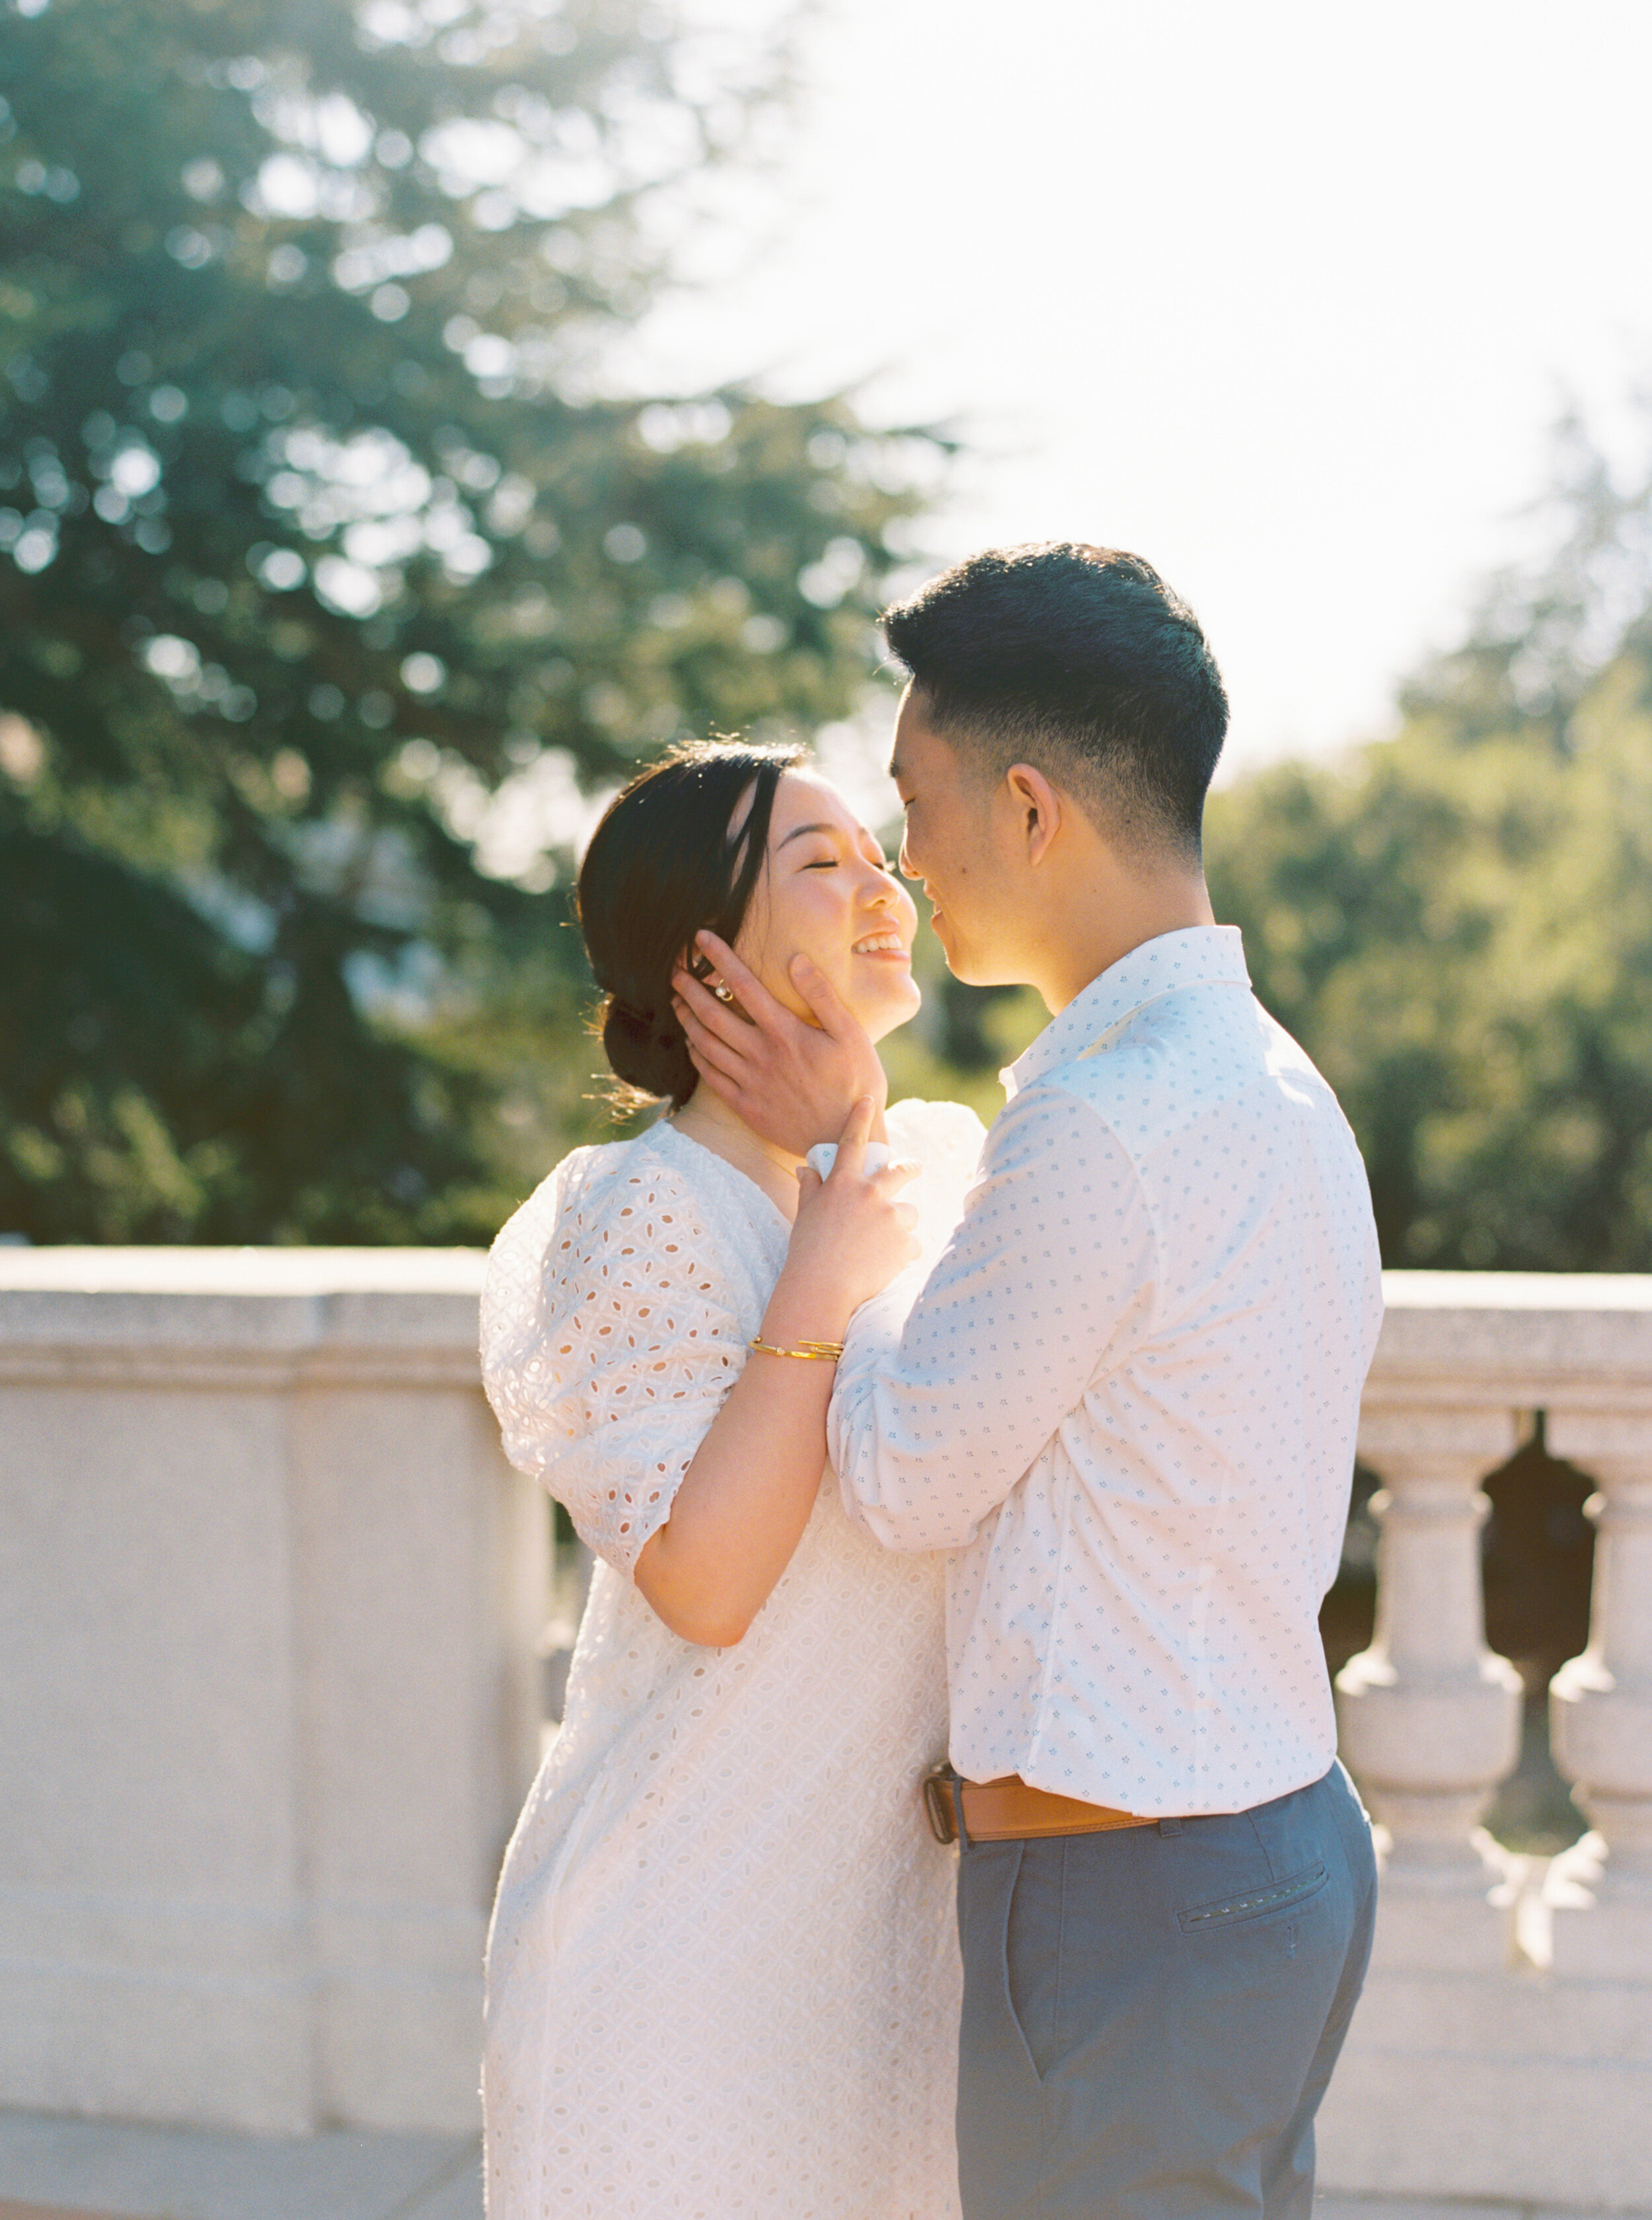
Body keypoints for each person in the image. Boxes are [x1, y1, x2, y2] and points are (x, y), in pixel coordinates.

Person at [672, 543, 1386, 2220]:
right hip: (1270, 1849)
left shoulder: (1101, 1121)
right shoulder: (1276, 1084)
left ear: (1029, 807)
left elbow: (906, 1471)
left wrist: (850, 1166)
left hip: (1128, 1902)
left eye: (916, 805)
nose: (904, 867)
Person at [478, 739, 984, 2219]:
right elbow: (704, 1584)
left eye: (879, 855)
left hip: (887, 1944)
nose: (882, 887)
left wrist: (850, 1150)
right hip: (678, 1956)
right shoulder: (637, 1218)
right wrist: (822, 1262)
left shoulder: (930, 1178)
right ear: (703, 961)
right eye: (822, 864)